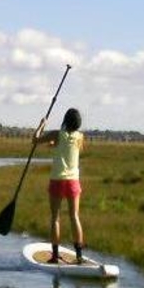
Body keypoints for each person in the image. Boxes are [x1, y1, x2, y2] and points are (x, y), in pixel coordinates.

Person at [33, 108, 85, 264]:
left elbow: (35, 140)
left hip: (57, 180)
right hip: (73, 181)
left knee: (55, 217)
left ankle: (55, 256)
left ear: (66, 121)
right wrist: (55, 145)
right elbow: (69, 148)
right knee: (74, 216)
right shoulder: (80, 137)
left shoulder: (57, 134)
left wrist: (41, 125)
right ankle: (79, 255)